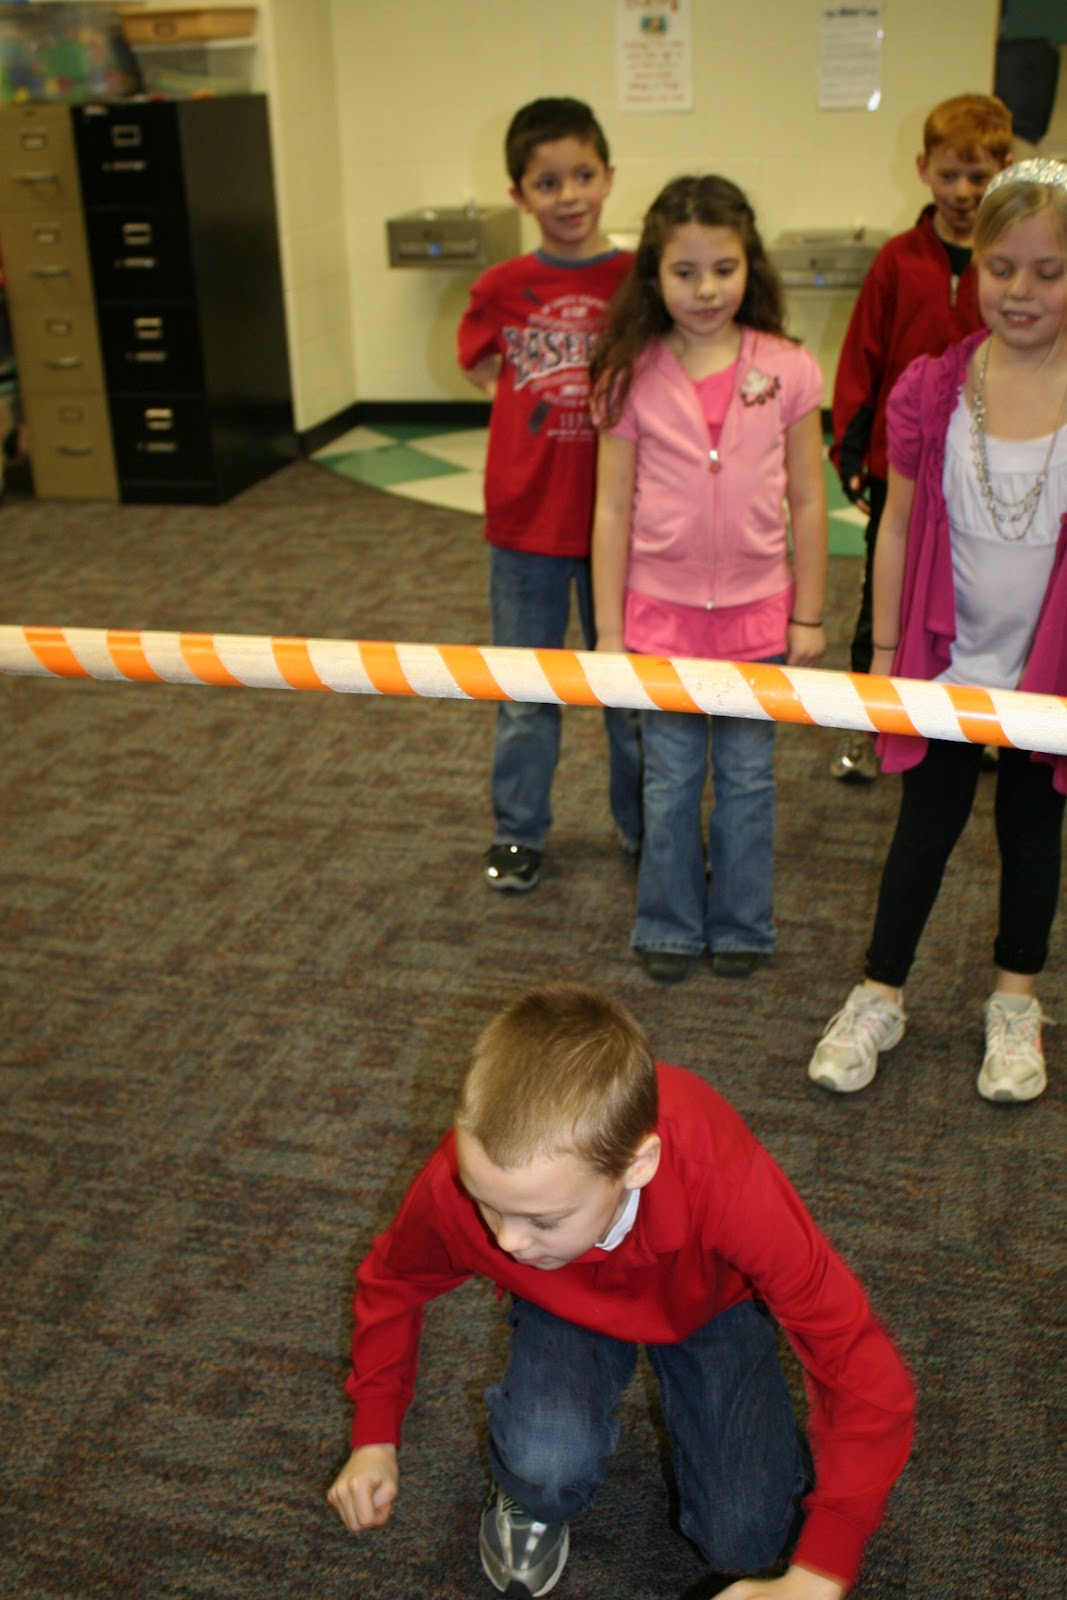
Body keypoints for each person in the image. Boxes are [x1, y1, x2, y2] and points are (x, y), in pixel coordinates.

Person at [327, 983, 915, 1600]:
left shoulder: (722, 1182)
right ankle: (521, 1491)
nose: (506, 1243)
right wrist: (373, 1436)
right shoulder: (472, 1184)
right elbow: (393, 1281)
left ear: (639, 1166)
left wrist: (824, 1568)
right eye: (489, 1207)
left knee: (745, 1541)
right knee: (543, 1468)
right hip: (563, 1298)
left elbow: (862, 1366)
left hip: (709, 1305)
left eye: (542, 1219)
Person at [808, 158, 1067, 1104]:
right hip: (946, 662)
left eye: (1048, 270)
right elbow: (898, 523)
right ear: (972, 271)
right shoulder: (933, 388)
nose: (1021, 290)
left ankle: (1014, 1001)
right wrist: (883, 659)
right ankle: (880, 991)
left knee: (1032, 836)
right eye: (1001, 268)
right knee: (924, 828)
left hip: (1050, 678)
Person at [590, 176, 827, 985]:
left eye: (722, 269)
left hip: (758, 619)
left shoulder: (787, 370)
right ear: (653, 276)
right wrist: (608, 633)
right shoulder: (630, 372)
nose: (704, 290)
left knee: (748, 780)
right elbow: (612, 509)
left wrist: (810, 615)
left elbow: (806, 497)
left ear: (748, 267)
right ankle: (665, 918)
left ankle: (741, 923)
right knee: (669, 779)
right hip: (659, 623)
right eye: (683, 272)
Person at [457, 97, 642, 894]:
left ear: (607, 176)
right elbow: (479, 366)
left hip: (624, 529)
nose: (566, 196)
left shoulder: (638, 278)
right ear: (518, 195)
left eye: (581, 176)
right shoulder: (502, 285)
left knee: (629, 692)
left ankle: (644, 827)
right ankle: (517, 831)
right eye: (545, 182)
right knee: (526, 694)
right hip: (526, 524)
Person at [829, 93, 1012, 783]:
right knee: (884, 595)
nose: (963, 193)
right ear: (922, 170)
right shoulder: (896, 262)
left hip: (987, 472)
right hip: (897, 465)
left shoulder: (1007, 264)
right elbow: (860, 357)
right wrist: (851, 447)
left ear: (1003, 170)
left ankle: (974, 721)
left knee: (974, 596)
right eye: (949, 175)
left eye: (979, 176)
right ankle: (865, 725)